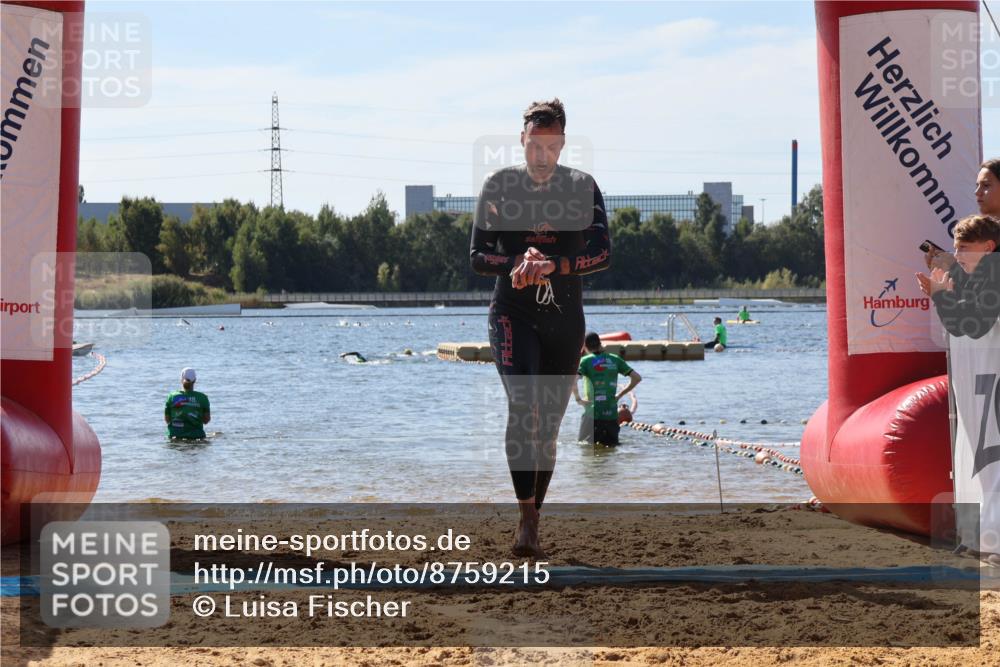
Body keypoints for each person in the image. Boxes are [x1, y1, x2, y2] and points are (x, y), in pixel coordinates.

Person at [470, 98, 611, 558]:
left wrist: (556, 264)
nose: (542, 154)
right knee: (525, 405)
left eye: (551, 146)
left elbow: (603, 253)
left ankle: (534, 515)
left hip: (564, 318)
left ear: (562, 143)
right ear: (522, 140)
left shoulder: (582, 188)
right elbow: (476, 256)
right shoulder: (499, 186)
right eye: (534, 144)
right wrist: (517, 261)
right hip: (512, 314)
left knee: (547, 428)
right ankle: (527, 519)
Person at [916, 215, 1000, 339]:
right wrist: (942, 293)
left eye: (963, 247)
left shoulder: (995, 271)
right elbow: (959, 327)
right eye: (955, 248)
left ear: (988, 247)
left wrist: (941, 295)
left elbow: (975, 327)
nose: (956, 255)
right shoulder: (985, 272)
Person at [573, 332, 642, 446]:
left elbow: (572, 381)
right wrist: (620, 395)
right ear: (600, 344)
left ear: (584, 346)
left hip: (592, 415)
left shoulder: (585, 361)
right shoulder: (615, 359)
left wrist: (578, 399)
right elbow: (637, 378)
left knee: (585, 449)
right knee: (610, 452)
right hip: (611, 416)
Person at [164, 368, 211, 440]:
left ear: (181, 379)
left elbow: (167, 420)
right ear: (195, 380)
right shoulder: (202, 397)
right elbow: (206, 420)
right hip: (196, 436)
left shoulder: (172, 396)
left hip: (174, 436)